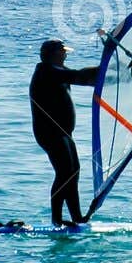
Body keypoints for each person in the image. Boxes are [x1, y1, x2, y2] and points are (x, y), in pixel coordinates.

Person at [29, 39, 102, 226]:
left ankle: (77, 217)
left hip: (63, 133)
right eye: (63, 52)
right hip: (50, 133)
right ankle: (56, 219)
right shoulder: (47, 72)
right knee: (64, 173)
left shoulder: (57, 71)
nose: (66, 55)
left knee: (73, 172)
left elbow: (87, 79)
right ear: (54, 54)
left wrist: (113, 73)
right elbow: (80, 77)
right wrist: (105, 65)